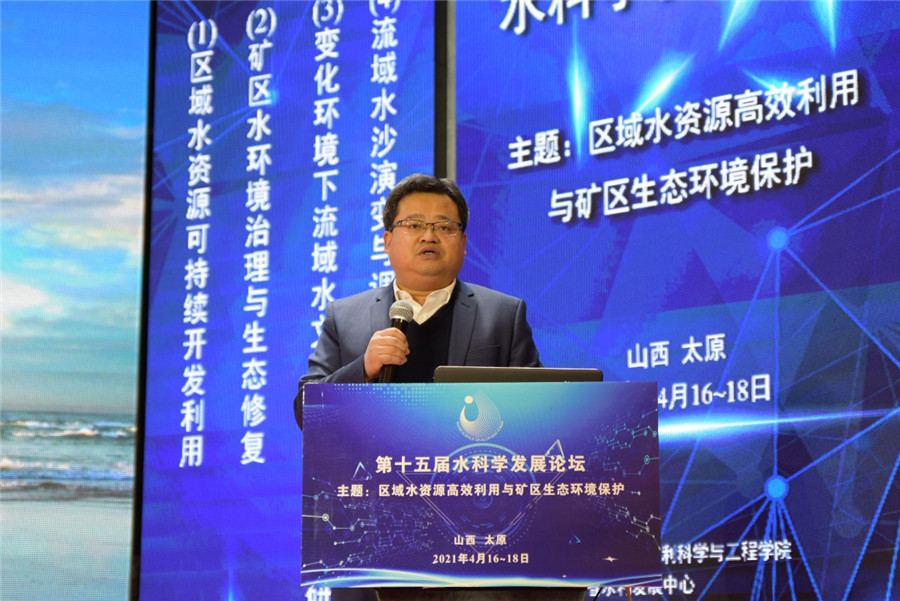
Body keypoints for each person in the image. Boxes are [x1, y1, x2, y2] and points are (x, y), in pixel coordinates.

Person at [295, 173, 541, 424]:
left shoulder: (504, 314)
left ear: (464, 242)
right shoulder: (343, 317)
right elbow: (305, 414)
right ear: (387, 241)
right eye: (414, 225)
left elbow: (540, 408)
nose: (429, 236)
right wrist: (363, 369)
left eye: (444, 227)